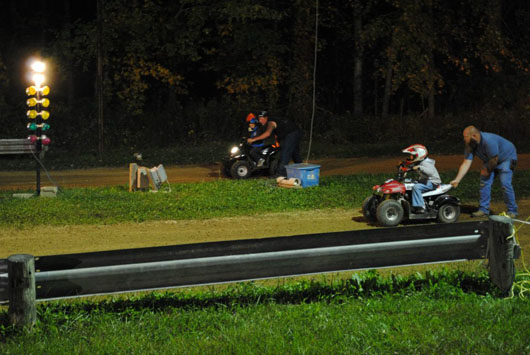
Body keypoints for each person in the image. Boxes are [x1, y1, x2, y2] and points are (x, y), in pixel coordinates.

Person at [450, 126, 518, 218]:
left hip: (506, 158)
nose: (464, 139)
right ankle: (483, 209)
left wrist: (486, 170)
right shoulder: (471, 145)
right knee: (484, 183)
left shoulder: (489, 141)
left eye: (465, 136)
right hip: (491, 159)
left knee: (505, 184)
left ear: (474, 135)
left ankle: (512, 211)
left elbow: (494, 160)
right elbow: (466, 163)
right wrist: (457, 180)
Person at [247, 110, 303, 177]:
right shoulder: (272, 121)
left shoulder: (270, 122)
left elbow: (268, 134)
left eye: (261, 119)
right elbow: (276, 134)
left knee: (285, 153)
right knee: (294, 153)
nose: (259, 121)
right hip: (294, 131)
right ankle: (302, 170)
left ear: (265, 118)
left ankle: (280, 174)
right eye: (259, 119)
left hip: (292, 133)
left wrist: (253, 139)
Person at [402, 144, 441, 213]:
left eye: (413, 156)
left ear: (419, 155)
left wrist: (420, 167)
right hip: (425, 180)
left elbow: (430, 172)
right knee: (408, 182)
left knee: (416, 187)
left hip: (432, 182)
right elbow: (410, 166)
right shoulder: (419, 162)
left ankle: (420, 207)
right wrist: (403, 165)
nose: (410, 157)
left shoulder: (425, 163)